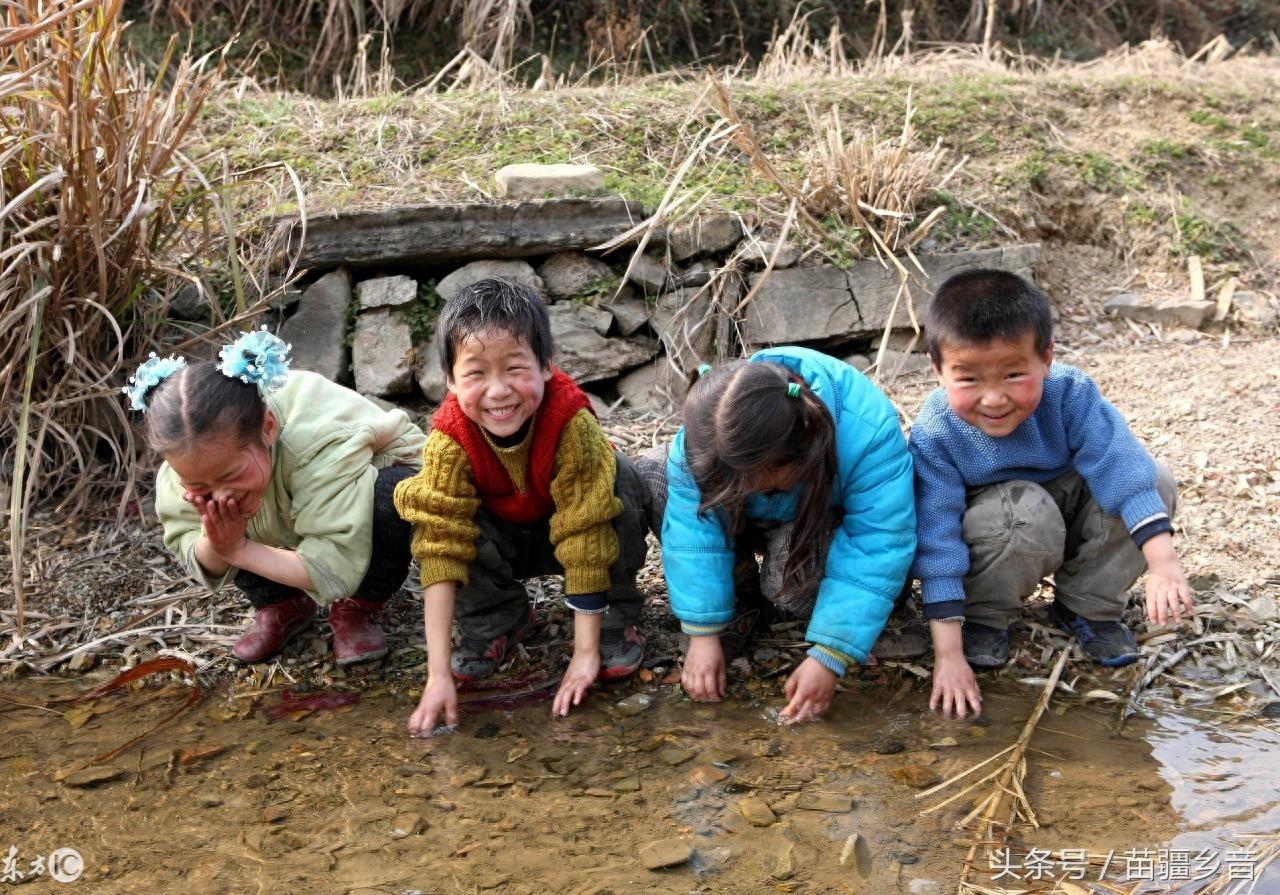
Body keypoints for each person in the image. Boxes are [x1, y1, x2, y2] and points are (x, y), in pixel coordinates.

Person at [910, 269, 1190, 719]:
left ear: (1046, 358)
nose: (994, 398)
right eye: (969, 380)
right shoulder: (936, 432)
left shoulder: (1070, 393)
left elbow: (1121, 467)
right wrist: (948, 655)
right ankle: (984, 616)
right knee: (1023, 509)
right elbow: (936, 539)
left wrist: (1164, 566)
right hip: (1003, 532)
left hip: (1069, 509)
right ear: (937, 369)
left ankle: (1087, 606)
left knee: (1153, 477)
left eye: (1014, 374)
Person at [393, 278, 650, 734]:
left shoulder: (571, 422)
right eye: (475, 374)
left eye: (514, 368)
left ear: (546, 365)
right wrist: (437, 675)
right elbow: (440, 547)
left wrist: (584, 654)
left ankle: (612, 616)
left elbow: (586, 530)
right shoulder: (448, 439)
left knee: (621, 478)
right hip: (503, 540)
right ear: (450, 380)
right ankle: (496, 620)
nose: (498, 391)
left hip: (572, 530)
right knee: (433, 517)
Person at [644, 347, 917, 723]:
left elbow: (878, 540)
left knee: (788, 590)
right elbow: (692, 532)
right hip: (755, 520)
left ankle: (873, 608)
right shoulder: (713, 426)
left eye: (754, 480)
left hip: (816, 520)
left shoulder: (867, 430)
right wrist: (702, 633)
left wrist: (830, 654)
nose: (740, 489)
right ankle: (739, 602)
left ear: (801, 451)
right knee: (656, 473)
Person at [124, 328, 426, 666]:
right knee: (224, 517)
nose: (219, 493)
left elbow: (335, 566)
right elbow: (190, 544)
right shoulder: (184, 471)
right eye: (199, 485)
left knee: (390, 495)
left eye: (230, 476)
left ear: (268, 428)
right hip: (292, 492)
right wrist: (219, 542)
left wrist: (238, 549)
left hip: (372, 477)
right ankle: (283, 604)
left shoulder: (315, 447)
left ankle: (358, 606)